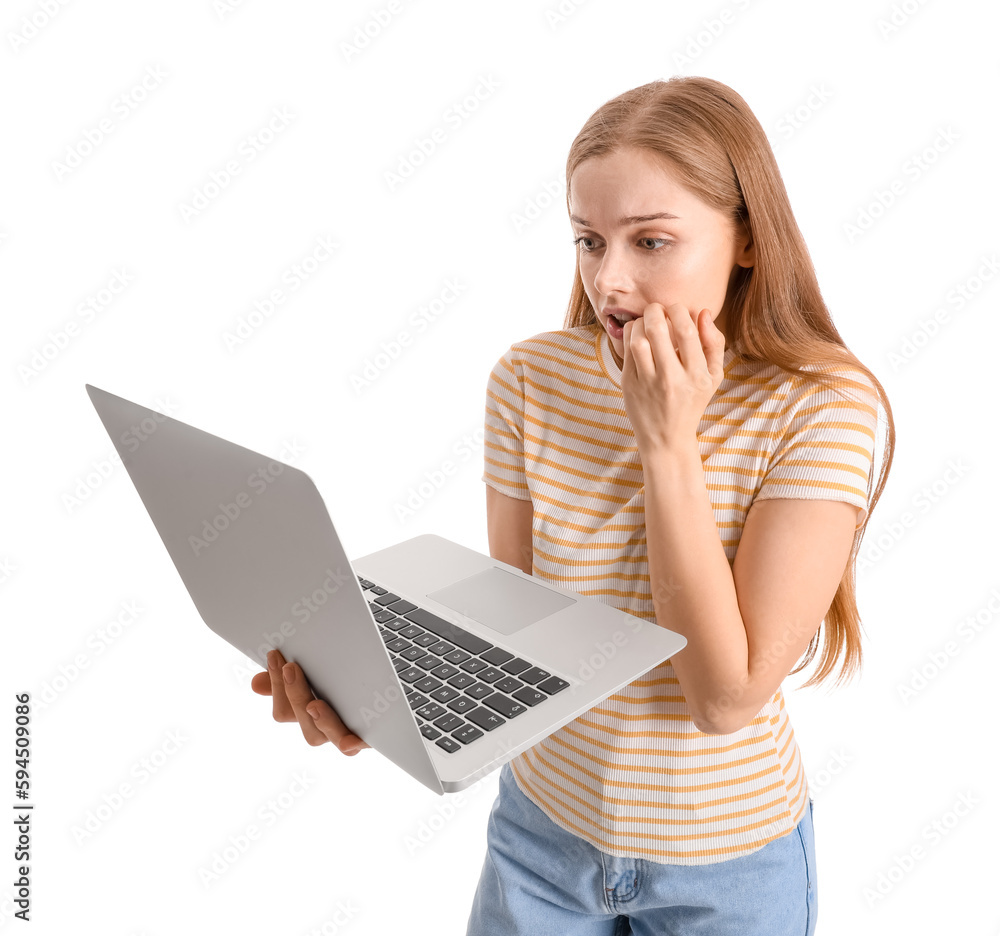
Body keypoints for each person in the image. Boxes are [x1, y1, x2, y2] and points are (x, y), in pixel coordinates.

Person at [251, 76, 895, 935]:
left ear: (746, 238)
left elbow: (725, 697)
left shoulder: (824, 408)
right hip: (541, 836)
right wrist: (386, 706)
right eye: (590, 241)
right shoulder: (530, 379)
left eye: (652, 241)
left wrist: (668, 442)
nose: (611, 281)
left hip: (727, 866)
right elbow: (517, 636)